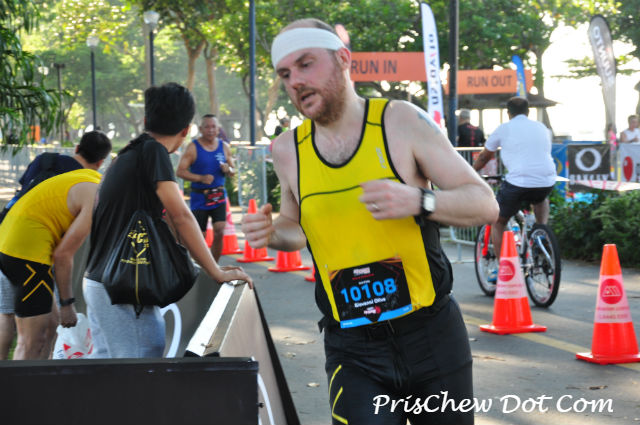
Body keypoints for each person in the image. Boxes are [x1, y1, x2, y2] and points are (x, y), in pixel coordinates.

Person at [242, 18, 497, 425]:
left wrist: (419, 200)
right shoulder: (287, 150)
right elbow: (295, 226)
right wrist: (273, 233)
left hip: (431, 336)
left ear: (343, 59)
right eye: (285, 74)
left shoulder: (400, 121)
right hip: (353, 349)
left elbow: (484, 204)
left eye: (306, 64)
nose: (296, 81)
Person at [83, 83, 252, 359]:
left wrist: (201, 262)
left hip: (99, 281)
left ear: (146, 119)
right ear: (186, 130)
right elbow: (180, 215)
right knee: (143, 369)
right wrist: (215, 271)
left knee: (109, 371)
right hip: (122, 288)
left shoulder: (129, 153)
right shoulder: (154, 152)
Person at [0, 133, 112, 360]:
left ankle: (41, 378)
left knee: (50, 324)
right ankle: (20, 383)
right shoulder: (97, 195)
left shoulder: (87, 177)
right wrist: (67, 304)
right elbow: (63, 255)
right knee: (33, 339)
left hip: (10, 237)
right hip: (26, 252)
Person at [472, 97, 556, 268]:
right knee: (540, 197)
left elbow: (484, 157)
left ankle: (505, 268)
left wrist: (471, 172)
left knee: (498, 221)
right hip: (547, 179)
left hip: (519, 181)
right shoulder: (542, 128)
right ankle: (541, 232)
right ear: (528, 111)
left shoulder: (504, 128)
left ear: (508, 113)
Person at [177, 114, 236, 262]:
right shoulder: (193, 147)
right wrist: (200, 178)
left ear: (218, 129)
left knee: (219, 230)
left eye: (214, 127)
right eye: (207, 127)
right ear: (201, 129)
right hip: (200, 197)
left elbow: (233, 171)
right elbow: (180, 171)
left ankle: (214, 266)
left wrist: (228, 169)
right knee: (199, 236)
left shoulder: (224, 146)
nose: (211, 130)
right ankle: (197, 265)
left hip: (219, 195)